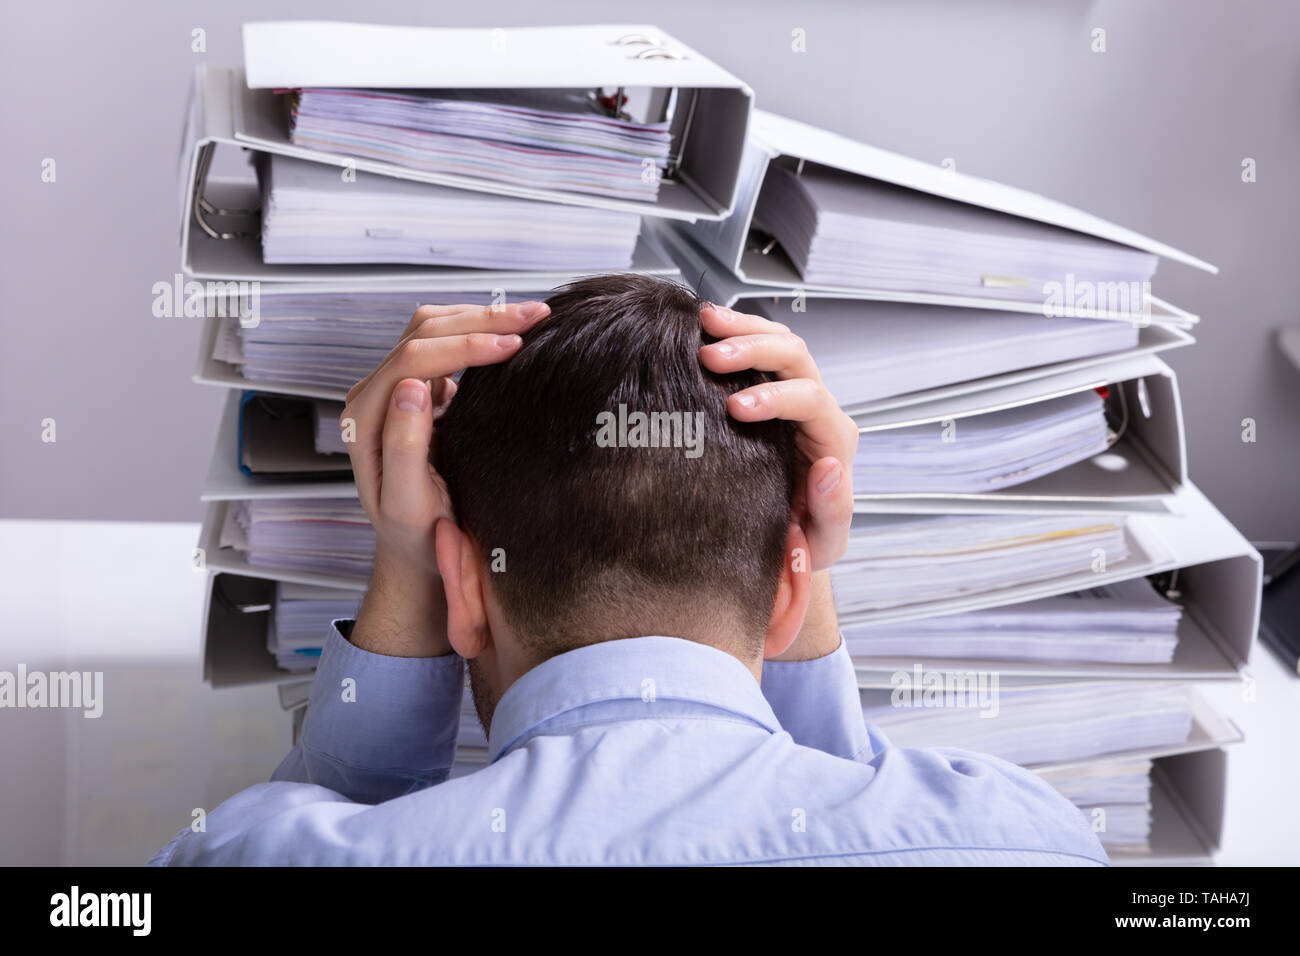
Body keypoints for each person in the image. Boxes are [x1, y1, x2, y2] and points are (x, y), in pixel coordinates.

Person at [151, 275, 1107, 866]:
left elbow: (333, 835)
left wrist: (404, 559)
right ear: (790, 586)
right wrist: (801, 552)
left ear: (463, 586)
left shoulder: (247, 855)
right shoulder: (1032, 841)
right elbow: (858, 818)